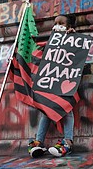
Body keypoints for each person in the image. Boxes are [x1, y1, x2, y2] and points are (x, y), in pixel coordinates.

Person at [28, 14, 77, 158]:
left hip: (66, 82)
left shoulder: (73, 38)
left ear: (69, 27)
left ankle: (68, 141)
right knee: (46, 110)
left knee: (67, 108)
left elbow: (78, 51)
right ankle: (39, 142)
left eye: (61, 23)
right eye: (55, 23)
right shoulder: (49, 41)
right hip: (50, 81)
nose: (57, 26)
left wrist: (72, 36)